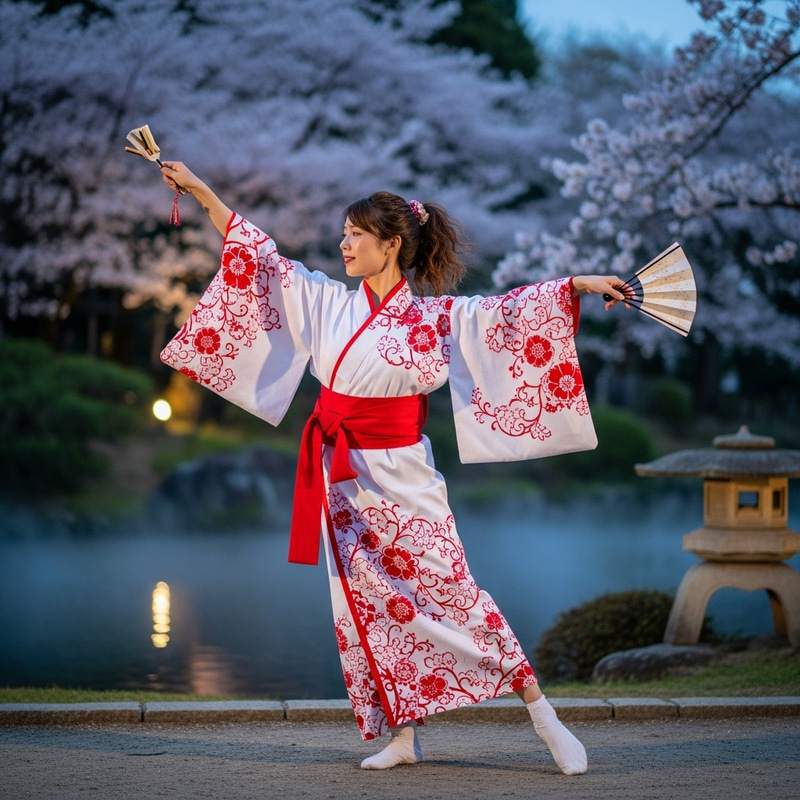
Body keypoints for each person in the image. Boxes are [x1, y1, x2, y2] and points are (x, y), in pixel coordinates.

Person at [158, 161, 626, 775]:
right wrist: (200, 192)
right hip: (342, 476)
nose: (344, 244)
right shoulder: (327, 301)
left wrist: (581, 285)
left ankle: (545, 717)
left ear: (393, 244)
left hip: (404, 474)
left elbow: (507, 312)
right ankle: (403, 736)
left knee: (454, 596)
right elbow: (260, 258)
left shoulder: (433, 318)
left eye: (356, 234)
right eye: (344, 233)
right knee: (369, 604)